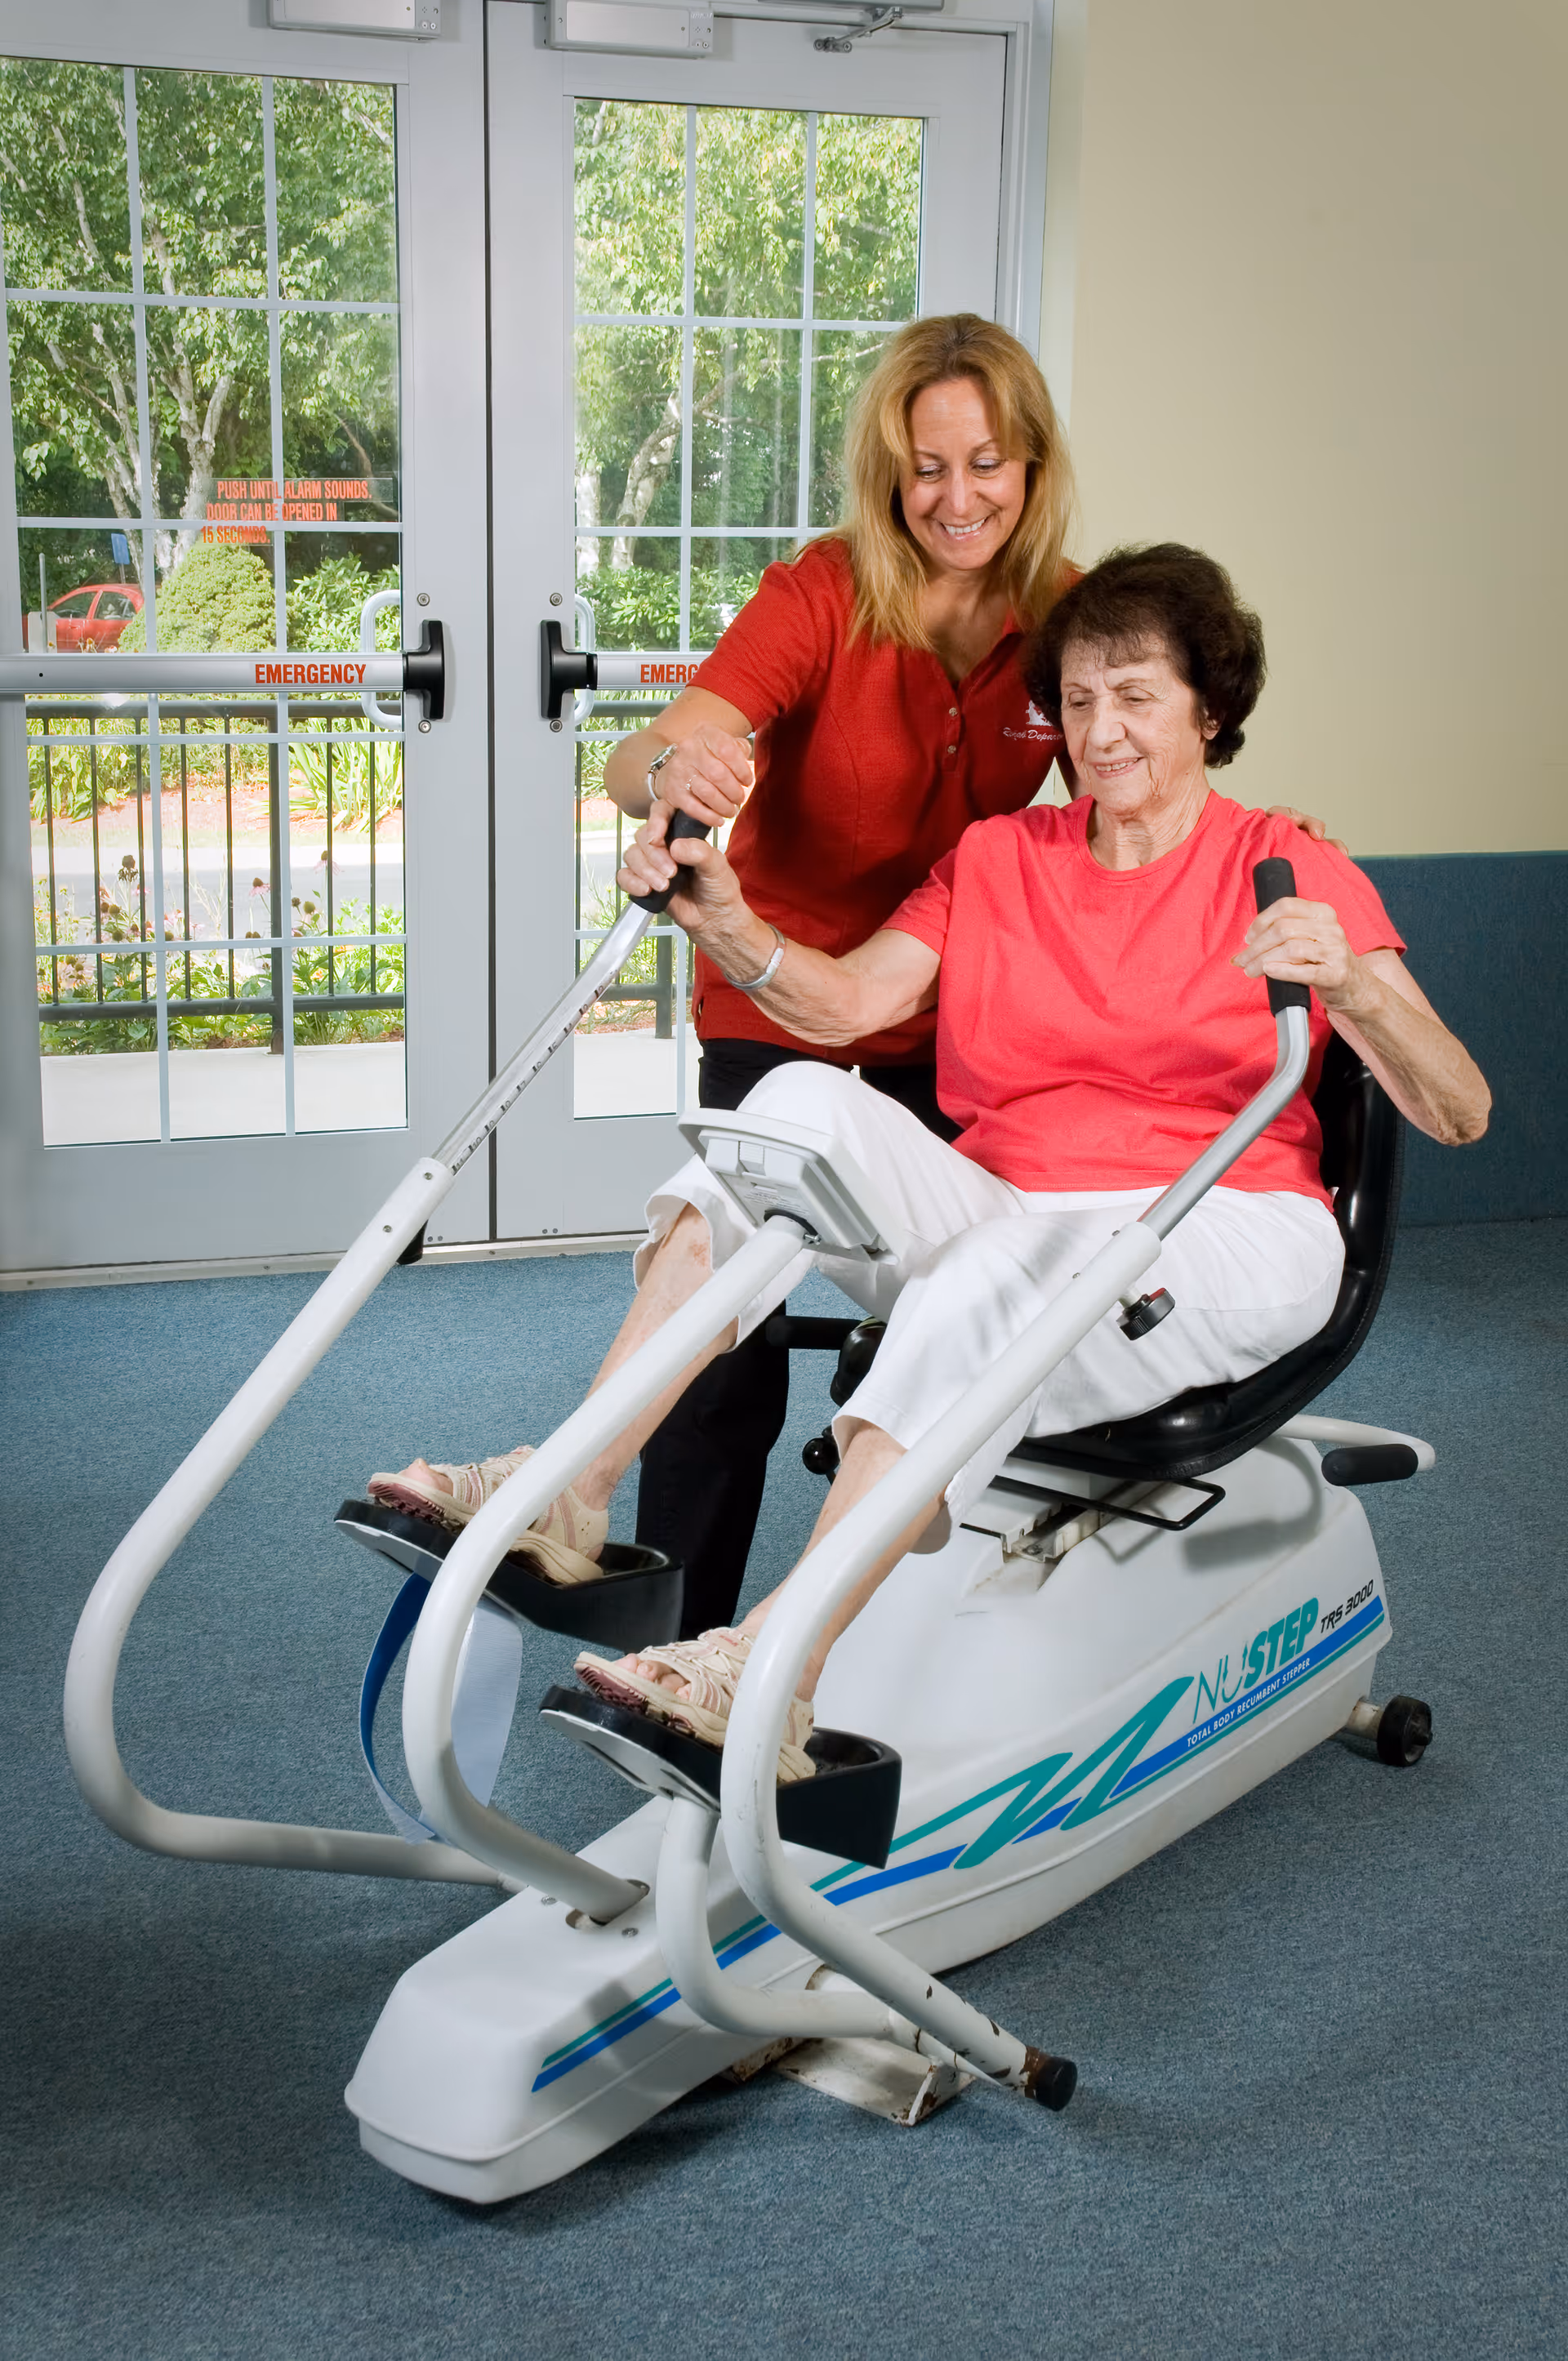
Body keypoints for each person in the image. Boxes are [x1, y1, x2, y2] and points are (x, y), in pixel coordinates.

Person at [372, 545, 1489, 1779]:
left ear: (1209, 708)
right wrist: (730, 918)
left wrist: (1351, 987)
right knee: (793, 1100)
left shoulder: (1282, 864)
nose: (1101, 730)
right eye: (1076, 698)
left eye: (1138, 696)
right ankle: (575, 1489)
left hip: (1228, 1225)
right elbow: (847, 1006)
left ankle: (771, 1667)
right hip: (1022, 1211)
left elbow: (1458, 1109)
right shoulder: (1004, 859)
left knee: (1005, 1264)